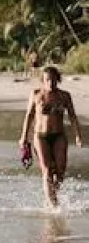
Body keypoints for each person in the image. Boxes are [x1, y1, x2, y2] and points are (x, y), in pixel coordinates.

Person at [21, 66, 83, 208]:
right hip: (40, 136)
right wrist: (23, 137)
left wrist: (77, 136)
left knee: (60, 171)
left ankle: (52, 194)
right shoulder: (36, 94)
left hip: (58, 136)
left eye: (54, 80)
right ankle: (52, 203)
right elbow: (29, 116)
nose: (51, 83)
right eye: (48, 80)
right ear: (43, 80)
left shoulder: (64, 96)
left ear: (58, 80)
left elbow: (72, 117)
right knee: (47, 170)